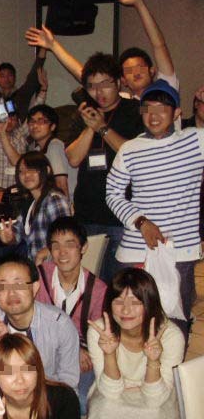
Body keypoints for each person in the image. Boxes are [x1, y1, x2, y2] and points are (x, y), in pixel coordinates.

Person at [106, 80, 203, 342]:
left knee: (174, 324)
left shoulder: (195, 140)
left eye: (162, 108)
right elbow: (112, 193)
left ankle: (172, 369)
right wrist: (141, 222)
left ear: (177, 113)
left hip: (179, 250)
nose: (154, 115)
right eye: (147, 108)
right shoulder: (129, 149)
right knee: (130, 320)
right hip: (136, 250)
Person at [82, 268, 185, 419]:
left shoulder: (171, 336)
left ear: (150, 304)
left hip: (158, 389)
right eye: (118, 301)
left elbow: (156, 399)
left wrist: (153, 360)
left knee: (158, 413)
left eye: (136, 302)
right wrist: (109, 353)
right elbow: (109, 392)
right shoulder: (100, 332)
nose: (126, 310)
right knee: (106, 404)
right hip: (114, 384)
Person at [64, 53, 144, 281]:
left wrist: (102, 128)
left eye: (105, 84)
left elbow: (135, 155)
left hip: (122, 216)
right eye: (91, 86)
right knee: (89, 284)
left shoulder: (135, 110)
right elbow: (73, 158)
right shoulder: (84, 114)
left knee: (119, 284)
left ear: (118, 82)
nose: (99, 92)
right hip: (87, 213)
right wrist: (90, 126)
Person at [25, 0, 178, 98]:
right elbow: (84, 75)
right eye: (129, 71)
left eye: (140, 68)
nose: (135, 73)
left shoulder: (166, 88)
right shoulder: (124, 102)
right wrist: (53, 45)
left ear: (152, 70)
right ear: (123, 80)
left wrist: (139, 4)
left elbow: (159, 45)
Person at [35, 216, 107, 415]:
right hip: (43, 349)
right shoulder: (38, 278)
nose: (62, 252)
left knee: (80, 402)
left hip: (80, 357)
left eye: (70, 244)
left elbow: (98, 336)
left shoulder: (98, 290)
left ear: (83, 248)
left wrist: (77, 350)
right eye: (56, 246)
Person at [0, 254, 80, 388]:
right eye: (2, 286)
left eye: (19, 285)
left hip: (50, 390)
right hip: (10, 391)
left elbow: (69, 380)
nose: (11, 293)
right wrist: (2, 343)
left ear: (35, 288)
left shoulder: (60, 325)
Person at [0, 61, 44, 202]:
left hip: (20, 187)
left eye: (13, 118)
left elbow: (35, 112)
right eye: (5, 118)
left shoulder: (20, 133)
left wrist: (43, 90)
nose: (9, 121)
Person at [0, 151, 71, 261]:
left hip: (53, 266)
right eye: (21, 171)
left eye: (32, 170)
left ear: (47, 170)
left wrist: (45, 252)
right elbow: (18, 232)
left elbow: (66, 239)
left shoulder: (54, 200)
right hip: (35, 265)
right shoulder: (30, 203)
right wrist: (9, 237)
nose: (26, 175)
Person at [0, 102, 74, 198]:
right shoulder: (38, 150)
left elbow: (61, 183)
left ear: (53, 126)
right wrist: (2, 134)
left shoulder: (54, 146)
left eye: (41, 121)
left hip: (64, 201)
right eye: (32, 121)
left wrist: (64, 206)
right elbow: (17, 162)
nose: (34, 126)